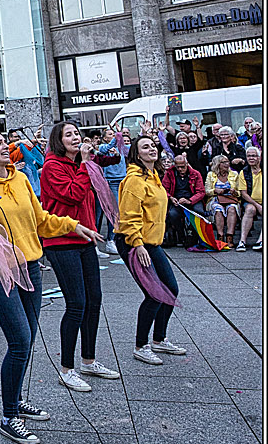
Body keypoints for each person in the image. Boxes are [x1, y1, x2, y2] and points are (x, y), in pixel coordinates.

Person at [0, 129, 81, 444]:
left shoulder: (20, 179)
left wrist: (73, 226)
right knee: (19, 340)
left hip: (30, 266)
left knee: (27, 339)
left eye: (6, 142)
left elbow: (41, 219)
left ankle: (16, 399)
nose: (6, 147)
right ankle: (8, 417)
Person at [38, 122, 119, 392]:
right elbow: (72, 195)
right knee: (76, 304)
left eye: (77, 133)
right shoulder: (52, 167)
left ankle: (89, 360)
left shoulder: (79, 165)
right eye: (69, 135)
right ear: (58, 140)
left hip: (85, 239)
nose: (76, 138)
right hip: (61, 242)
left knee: (94, 300)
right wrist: (85, 164)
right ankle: (67, 369)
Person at [115, 137, 186, 363]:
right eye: (145, 147)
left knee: (171, 289)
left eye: (153, 145)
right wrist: (137, 245)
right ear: (137, 154)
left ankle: (159, 339)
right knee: (154, 294)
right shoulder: (134, 180)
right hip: (134, 242)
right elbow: (129, 217)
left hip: (152, 242)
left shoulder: (153, 176)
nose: (152, 149)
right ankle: (141, 345)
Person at [162, 150, 205, 248]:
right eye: (178, 167)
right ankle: (181, 235)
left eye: (182, 167)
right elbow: (164, 189)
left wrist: (190, 200)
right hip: (176, 200)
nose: (180, 169)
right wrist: (171, 198)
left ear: (187, 164)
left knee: (199, 212)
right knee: (173, 214)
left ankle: (194, 235)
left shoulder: (195, 173)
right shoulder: (169, 173)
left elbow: (201, 192)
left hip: (193, 199)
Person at [205, 157, 241, 245]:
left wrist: (235, 192)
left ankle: (229, 237)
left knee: (232, 209)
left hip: (231, 199)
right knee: (218, 210)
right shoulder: (211, 175)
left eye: (227, 161)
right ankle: (220, 237)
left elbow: (240, 192)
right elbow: (206, 191)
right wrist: (215, 191)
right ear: (218, 164)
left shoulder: (234, 174)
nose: (227, 164)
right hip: (216, 199)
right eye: (224, 162)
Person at [233, 146, 262, 249]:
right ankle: (242, 241)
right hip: (251, 201)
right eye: (249, 156)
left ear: (259, 157)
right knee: (249, 209)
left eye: (254, 156)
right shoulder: (244, 172)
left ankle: (261, 240)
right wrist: (258, 205)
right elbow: (244, 194)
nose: (251, 158)